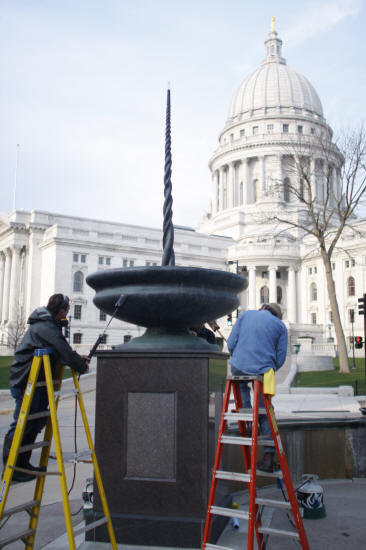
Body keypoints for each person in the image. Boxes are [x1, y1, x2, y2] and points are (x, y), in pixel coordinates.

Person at [3, 294, 90, 482]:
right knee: (22, 424)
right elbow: (62, 350)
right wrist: (80, 365)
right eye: (67, 309)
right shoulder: (45, 327)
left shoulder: (49, 325)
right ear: (61, 311)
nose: (67, 313)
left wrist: (77, 357)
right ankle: (12, 467)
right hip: (26, 382)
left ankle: (22, 463)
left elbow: (61, 349)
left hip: (38, 383)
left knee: (34, 423)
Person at [227, 303, 288, 472]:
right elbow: (281, 357)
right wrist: (269, 366)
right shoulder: (280, 326)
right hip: (263, 371)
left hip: (238, 366)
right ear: (277, 315)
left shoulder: (245, 315)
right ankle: (269, 457)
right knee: (264, 409)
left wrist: (240, 357)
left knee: (242, 385)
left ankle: (246, 421)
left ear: (263, 308)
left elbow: (231, 343)